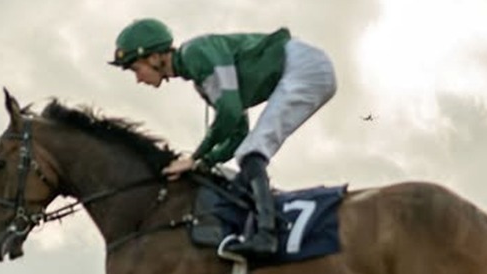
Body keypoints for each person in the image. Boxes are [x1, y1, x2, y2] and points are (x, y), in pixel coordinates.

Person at [110, 18, 337, 258]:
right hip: (305, 67)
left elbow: (228, 112)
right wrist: (204, 163)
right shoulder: (199, 77)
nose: (138, 79)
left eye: (136, 69)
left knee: (252, 152)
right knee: (248, 152)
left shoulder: (195, 53)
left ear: (154, 57)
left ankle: (267, 235)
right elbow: (237, 133)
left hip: (303, 67)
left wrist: (195, 157)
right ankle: (258, 227)